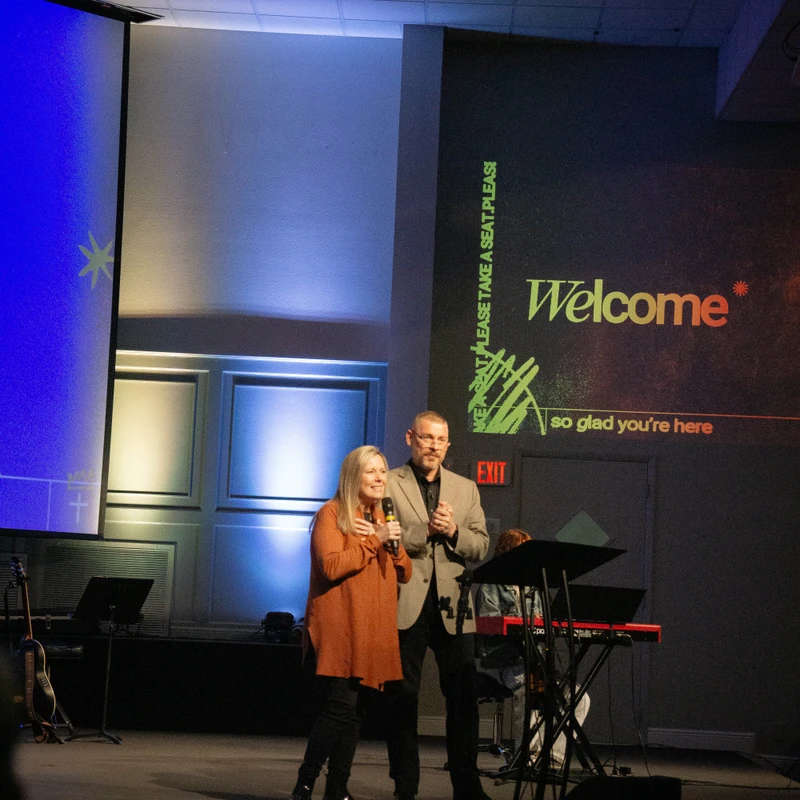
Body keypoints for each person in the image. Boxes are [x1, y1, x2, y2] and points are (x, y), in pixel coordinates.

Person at [292, 445, 412, 800]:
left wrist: (391, 541)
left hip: (372, 630)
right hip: (341, 630)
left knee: (356, 713)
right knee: (339, 709)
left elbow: (405, 572)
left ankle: (338, 788)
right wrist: (372, 542)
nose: (379, 477)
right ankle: (305, 782)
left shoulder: (381, 520)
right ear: (352, 476)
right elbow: (330, 566)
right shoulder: (331, 514)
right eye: (371, 471)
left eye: (383, 470)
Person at [384, 411, 490, 800]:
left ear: (448, 444)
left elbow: (481, 544)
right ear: (410, 437)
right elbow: (383, 537)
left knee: (463, 699)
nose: (432, 446)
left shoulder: (466, 488)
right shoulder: (388, 483)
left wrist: (454, 532)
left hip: (454, 607)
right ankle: (405, 787)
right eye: (425, 438)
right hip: (405, 601)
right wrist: (422, 532)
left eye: (439, 439)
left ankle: (467, 786)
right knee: (402, 698)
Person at [475, 529, 590, 766]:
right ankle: (527, 756)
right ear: (508, 553)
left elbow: (544, 625)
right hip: (503, 662)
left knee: (579, 696)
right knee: (532, 687)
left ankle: (554, 756)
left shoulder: (536, 587)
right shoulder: (491, 585)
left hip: (535, 664)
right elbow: (490, 625)